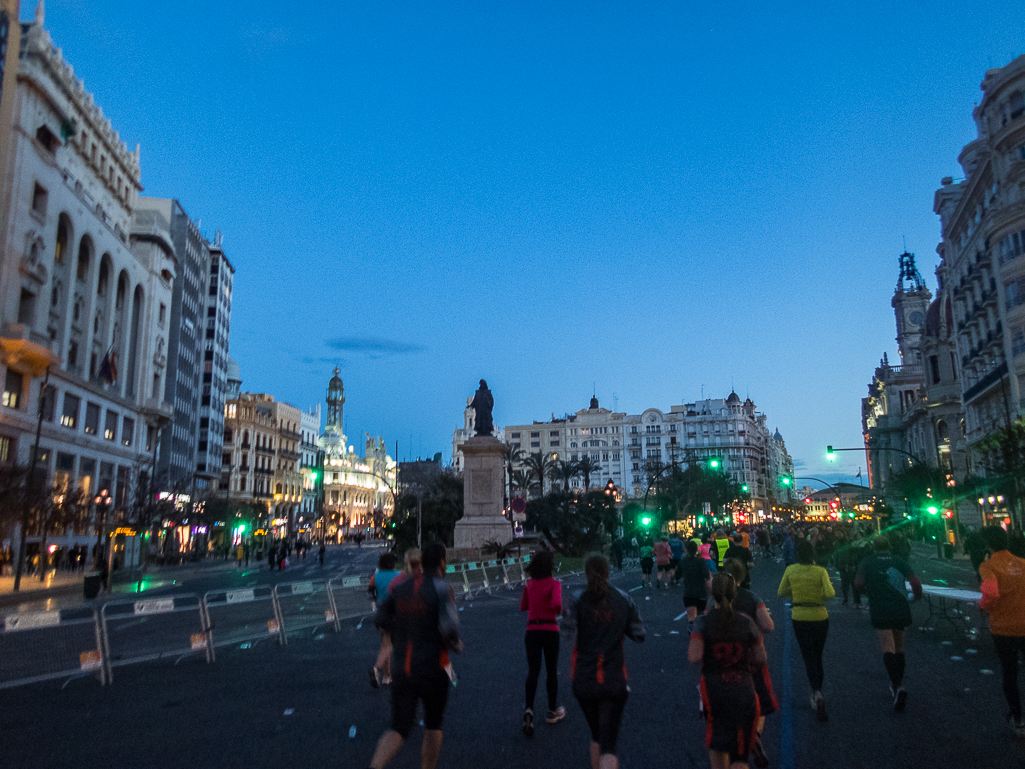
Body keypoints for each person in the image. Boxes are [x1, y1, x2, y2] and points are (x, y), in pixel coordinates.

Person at [367, 542, 462, 769]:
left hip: (403, 666)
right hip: (433, 667)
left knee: (398, 726)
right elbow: (449, 629)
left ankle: (375, 765)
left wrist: (401, 631)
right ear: (441, 562)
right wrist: (456, 644)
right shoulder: (442, 589)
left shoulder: (401, 589)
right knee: (432, 725)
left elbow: (380, 617)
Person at [562, 554, 645, 769]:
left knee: (597, 734)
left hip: (583, 677)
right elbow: (639, 634)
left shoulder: (577, 598)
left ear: (586, 573)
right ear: (608, 573)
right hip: (614, 676)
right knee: (609, 743)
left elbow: (565, 632)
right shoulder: (624, 598)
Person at [688, 572, 766, 769]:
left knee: (718, 741)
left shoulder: (702, 622)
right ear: (734, 595)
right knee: (739, 756)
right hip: (743, 687)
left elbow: (694, 656)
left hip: (714, 689)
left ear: (712, 594)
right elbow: (761, 656)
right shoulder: (746, 622)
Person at [855, 536, 922, 712]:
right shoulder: (898, 560)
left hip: (880, 606)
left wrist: (867, 592)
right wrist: (916, 596)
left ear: (874, 547)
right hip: (900, 605)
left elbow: (859, 582)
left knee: (887, 647)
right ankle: (899, 681)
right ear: (889, 545)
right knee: (899, 647)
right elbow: (914, 581)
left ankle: (897, 685)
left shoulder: (868, 561)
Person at [723, 558, 776, 768]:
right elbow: (768, 626)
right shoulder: (752, 598)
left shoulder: (716, 601)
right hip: (750, 656)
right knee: (760, 701)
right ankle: (756, 734)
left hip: (724, 658)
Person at [777, 539, 834, 722]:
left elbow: (781, 592)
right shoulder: (820, 571)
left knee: (808, 655)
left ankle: (816, 693)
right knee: (817, 655)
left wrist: (797, 590)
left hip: (800, 615)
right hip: (819, 614)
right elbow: (830, 593)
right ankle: (818, 691)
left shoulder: (791, 570)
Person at [978, 525, 1025, 735]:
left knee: (1010, 672)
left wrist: (982, 606)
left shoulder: (988, 566)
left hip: (1004, 628)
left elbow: (991, 592)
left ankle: (1018, 717)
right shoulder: (1022, 563)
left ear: (988, 544)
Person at [519, 549, 565, 736]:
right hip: (550, 630)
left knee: (533, 671)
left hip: (532, 631)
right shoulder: (555, 584)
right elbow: (557, 605)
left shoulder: (530, 585)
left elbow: (523, 606)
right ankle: (552, 710)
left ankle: (529, 709)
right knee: (551, 670)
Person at [369, 552, 403, 688]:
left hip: (381, 613)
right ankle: (377, 668)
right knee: (394, 645)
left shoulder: (375, 577)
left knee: (385, 644)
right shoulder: (400, 576)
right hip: (396, 613)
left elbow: (371, 593)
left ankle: (387, 676)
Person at [681, 540, 712, 626]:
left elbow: (677, 575)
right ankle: (698, 633)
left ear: (687, 550)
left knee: (690, 616)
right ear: (697, 550)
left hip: (688, 592)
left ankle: (691, 630)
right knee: (700, 615)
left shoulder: (683, 561)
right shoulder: (701, 561)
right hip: (700, 592)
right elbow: (706, 575)